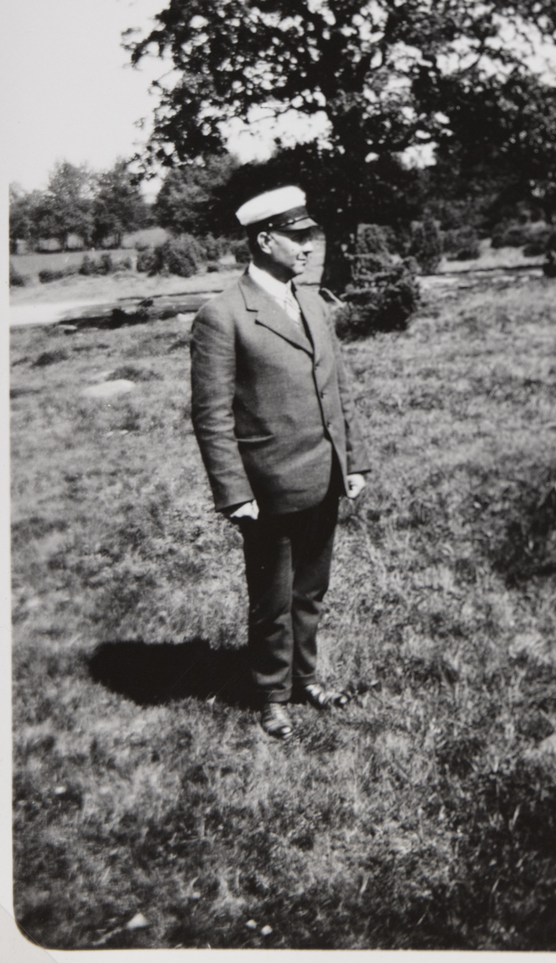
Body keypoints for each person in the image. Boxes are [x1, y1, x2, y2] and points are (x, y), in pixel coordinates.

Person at [190, 186, 370, 740]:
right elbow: (211, 415)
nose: (309, 246)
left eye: (310, 236)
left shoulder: (312, 303)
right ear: (265, 241)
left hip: (324, 474)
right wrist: (234, 491)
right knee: (273, 599)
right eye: (298, 237)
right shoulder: (223, 315)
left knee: (310, 591)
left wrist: (354, 460)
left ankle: (305, 679)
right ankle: (271, 694)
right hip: (268, 486)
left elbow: (338, 388)